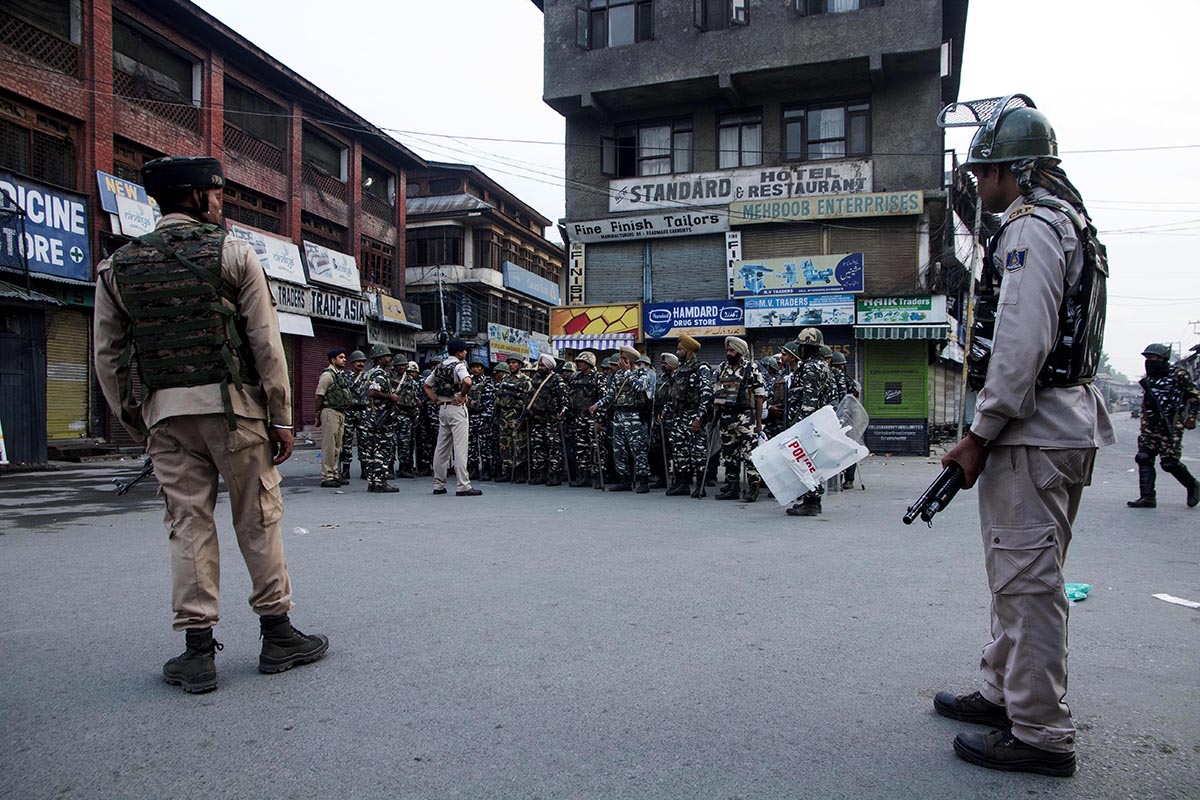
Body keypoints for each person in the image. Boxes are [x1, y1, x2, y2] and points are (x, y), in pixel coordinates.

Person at [94, 155, 327, 693]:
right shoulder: (234, 253)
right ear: (197, 197)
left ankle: (197, 653)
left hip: (166, 419)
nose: (221, 203)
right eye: (217, 195)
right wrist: (282, 418)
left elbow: (107, 357)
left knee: (187, 525)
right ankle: (277, 634)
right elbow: (267, 344)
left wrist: (139, 421)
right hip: (236, 414)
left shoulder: (118, 267)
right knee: (259, 518)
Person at [935, 97, 1114, 777]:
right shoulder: (1069, 224)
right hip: (1051, 428)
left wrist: (979, 434)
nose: (981, 186)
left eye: (989, 174)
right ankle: (1002, 694)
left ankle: (1039, 732)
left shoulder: (1033, 229)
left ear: (1022, 171)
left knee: (1028, 582)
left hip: (1031, 431)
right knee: (1019, 575)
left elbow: (1020, 345)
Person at [1127, 343, 1199, 508]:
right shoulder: (1150, 377)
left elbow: (1194, 395)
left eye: (1152, 358)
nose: (1149, 361)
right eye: (1147, 358)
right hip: (1149, 425)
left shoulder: (1178, 374)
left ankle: (1193, 485)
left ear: (1162, 358)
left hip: (1171, 424)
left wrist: (1191, 417)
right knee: (1143, 457)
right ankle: (1147, 497)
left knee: (1169, 463)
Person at [784, 330, 834, 516]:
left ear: (805, 347)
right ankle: (810, 500)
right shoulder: (821, 366)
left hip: (807, 424)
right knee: (810, 463)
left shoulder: (811, 368)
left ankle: (811, 502)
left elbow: (809, 401)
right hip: (816, 423)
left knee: (805, 463)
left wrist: (801, 427)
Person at [424, 339, 481, 496]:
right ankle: (463, 485)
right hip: (457, 408)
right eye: (464, 351)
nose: (466, 353)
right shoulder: (459, 366)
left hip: (443, 408)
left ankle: (438, 484)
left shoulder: (440, 367)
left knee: (441, 448)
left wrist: (436, 400)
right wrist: (463, 395)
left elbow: (426, 385)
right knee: (460, 449)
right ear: (459, 352)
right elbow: (467, 381)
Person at [712, 336, 765, 502]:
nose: (729, 353)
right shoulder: (722, 368)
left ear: (740, 352)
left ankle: (753, 487)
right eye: (727, 350)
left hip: (745, 418)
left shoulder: (751, 368)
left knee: (750, 455)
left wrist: (758, 423)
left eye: (732, 350)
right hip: (726, 417)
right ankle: (732, 487)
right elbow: (716, 391)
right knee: (729, 455)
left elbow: (759, 396)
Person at [591, 346, 651, 493]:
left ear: (629, 360)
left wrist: (629, 373)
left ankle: (643, 481)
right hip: (619, 415)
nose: (619, 361)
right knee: (619, 449)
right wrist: (597, 405)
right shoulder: (617, 375)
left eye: (622, 358)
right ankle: (624, 480)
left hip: (634, 416)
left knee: (638, 449)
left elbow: (640, 388)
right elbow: (611, 396)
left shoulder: (641, 372)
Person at [665, 335, 713, 498]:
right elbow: (675, 395)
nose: (677, 352)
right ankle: (683, 484)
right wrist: (665, 410)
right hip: (679, 417)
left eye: (680, 350)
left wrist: (699, 418)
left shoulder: (701, 368)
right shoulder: (679, 370)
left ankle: (700, 486)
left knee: (698, 452)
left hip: (693, 416)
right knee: (680, 452)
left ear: (690, 352)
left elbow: (706, 395)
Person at [525, 353, 569, 485]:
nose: (540, 367)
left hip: (551, 419)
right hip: (537, 418)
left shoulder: (557, 380)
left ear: (549, 367)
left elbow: (564, 399)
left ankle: (554, 475)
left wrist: (561, 414)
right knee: (538, 447)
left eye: (542, 365)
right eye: (539, 365)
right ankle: (540, 474)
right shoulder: (535, 379)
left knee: (554, 448)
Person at [362, 344, 401, 493]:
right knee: (382, 450)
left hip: (371, 417)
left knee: (371, 450)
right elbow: (372, 392)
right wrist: (389, 396)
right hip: (380, 417)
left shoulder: (368, 373)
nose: (390, 358)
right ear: (379, 358)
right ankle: (380, 482)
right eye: (387, 356)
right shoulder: (380, 374)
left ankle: (372, 481)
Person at [315, 347, 351, 488]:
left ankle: (335, 474)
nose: (344, 359)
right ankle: (327, 476)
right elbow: (319, 395)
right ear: (333, 360)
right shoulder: (327, 375)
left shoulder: (339, 375)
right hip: (330, 411)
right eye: (341, 357)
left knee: (337, 446)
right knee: (329, 445)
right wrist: (317, 412)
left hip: (340, 412)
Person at [566, 352, 602, 488]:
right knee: (581, 448)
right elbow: (569, 398)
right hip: (578, 417)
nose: (579, 363)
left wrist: (600, 419)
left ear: (589, 363)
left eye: (582, 361)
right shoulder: (575, 378)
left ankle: (599, 476)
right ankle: (583, 476)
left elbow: (603, 400)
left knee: (597, 447)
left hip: (592, 418)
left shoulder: (598, 378)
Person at [495, 357, 532, 483]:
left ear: (520, 365)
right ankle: (508, 470)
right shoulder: (505, 379)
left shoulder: (525, 380)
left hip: (517, 416)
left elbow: (528, 401)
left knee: (519, 444)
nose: (511, 365)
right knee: (504, 444)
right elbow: (499, 398)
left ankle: (519, 472)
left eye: (514, 363)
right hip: (504, 417)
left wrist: (523, 418)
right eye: (510, 363)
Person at [830, 351, 859, 490]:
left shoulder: (838, 376)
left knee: (844, 448)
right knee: (847, 447)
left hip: (840, 416)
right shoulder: (845, 377)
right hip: (846, 416)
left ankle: (846, 479)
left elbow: (843, 396)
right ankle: (848, 479)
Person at [648, 353, 677, 490]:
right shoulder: (661, 378)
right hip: (659, 420)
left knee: (675, 450)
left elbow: (674, 398)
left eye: (665, 363)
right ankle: (662, 478)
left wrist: (665, 411)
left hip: (672, 418)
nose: (663, 366)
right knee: (659, 450)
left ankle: (678, 480)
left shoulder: (677, 379)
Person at [339, 349, 368, 481]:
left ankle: (364, 469)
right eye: (358, 362)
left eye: (362, 361)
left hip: (363, 412)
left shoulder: (367, 377)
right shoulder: (346, 376)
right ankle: (346, 469)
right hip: (349, 411)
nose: (360, 364)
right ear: (352, 363)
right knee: (346, 441)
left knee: (364, 441)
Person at [467, 358, 497, 481]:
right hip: (470, 416)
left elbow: (490, 401)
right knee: (471, 445)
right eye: (473, 367)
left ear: (482, 368)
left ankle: (486, 469)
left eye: (478, 367)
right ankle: (473, 469)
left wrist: (487, 418)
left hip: (483, 416)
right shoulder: (468, 381)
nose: (475, 369)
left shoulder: (487, 382)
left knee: (485, 444)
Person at [393, 362, 422, 479]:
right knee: (391, 444)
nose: (412, 374)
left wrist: (415, 415)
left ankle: (404, 467)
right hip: (393, 415)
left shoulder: (411, 382)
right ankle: (389, 468)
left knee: (405, 444)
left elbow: (415, 400)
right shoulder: (391, 379)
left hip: (406, 416)